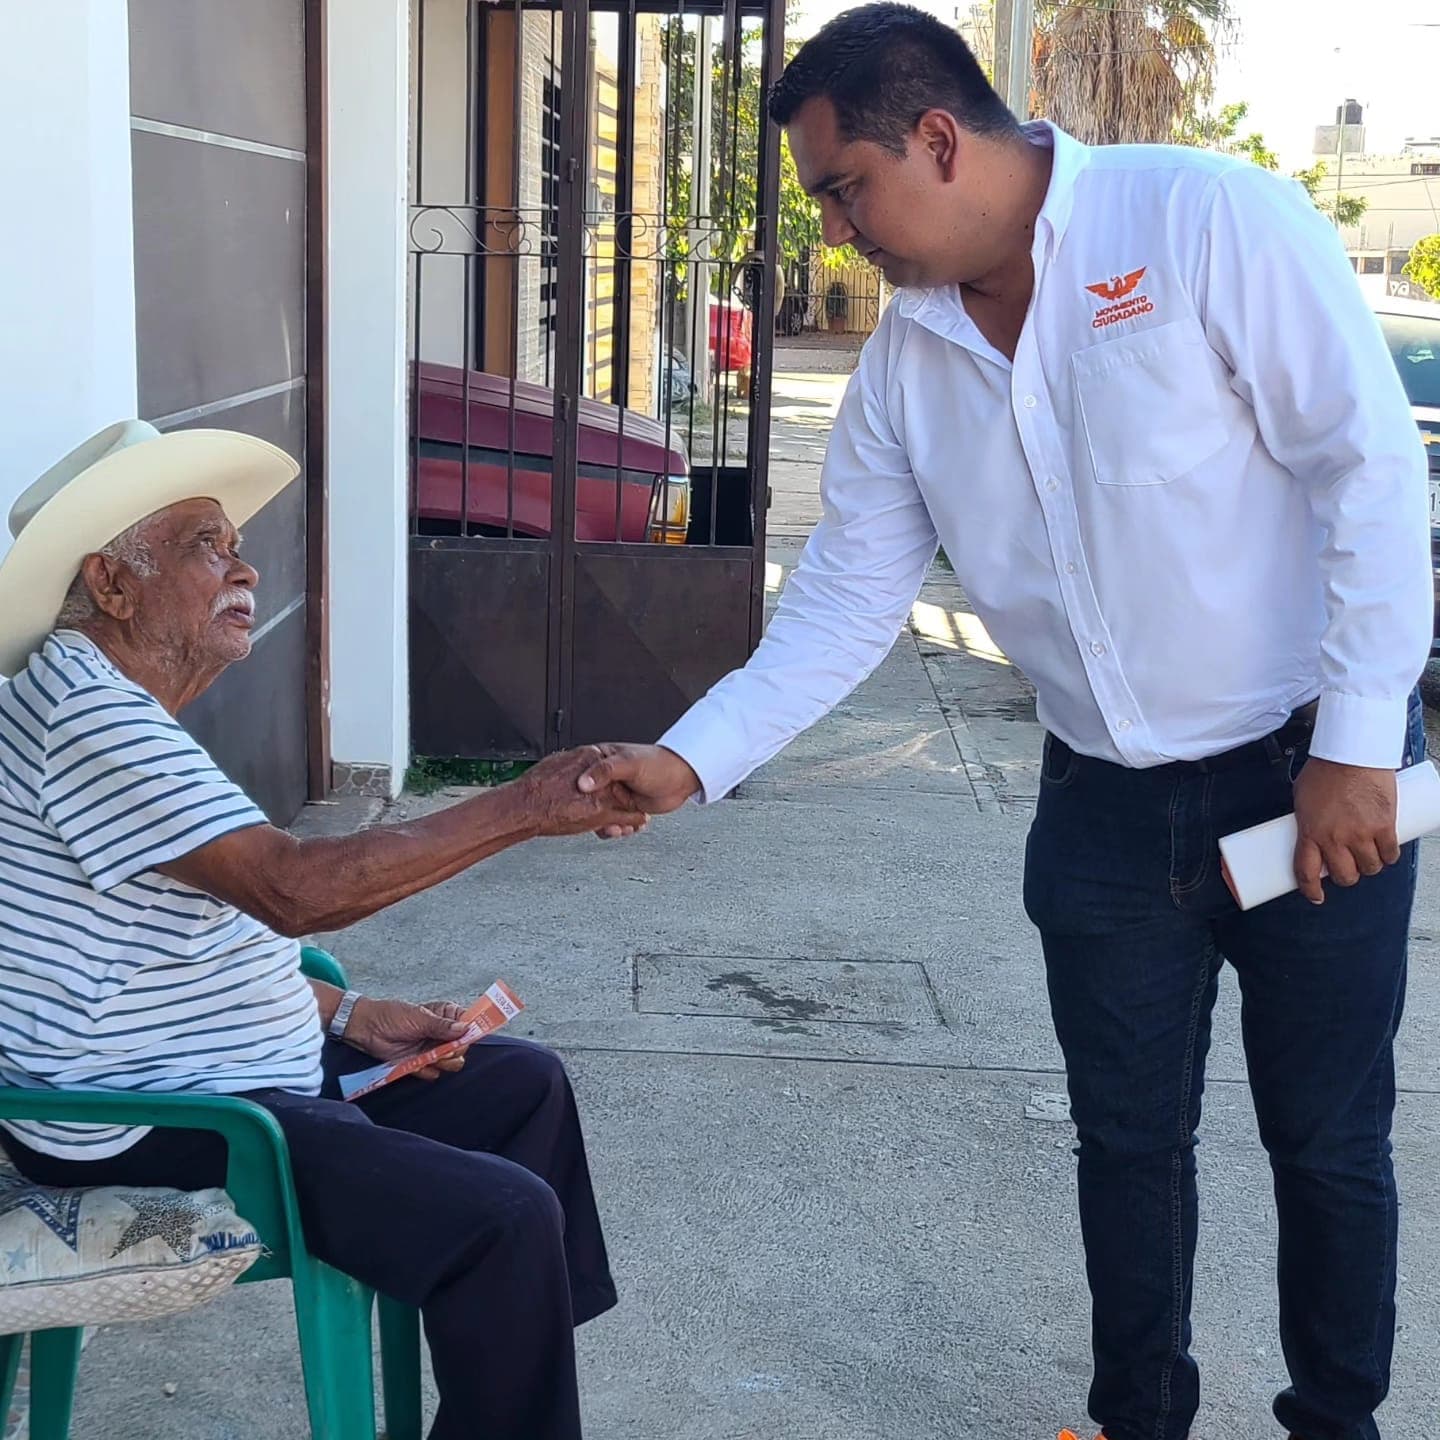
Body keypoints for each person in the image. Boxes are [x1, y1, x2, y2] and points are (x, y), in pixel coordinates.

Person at [572, 7, 1432, 1439]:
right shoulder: (907, 361)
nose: (840, 231)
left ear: (937, 138)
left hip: (1308, 778)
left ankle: (1334, 1421)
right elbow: (849, 598)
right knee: (1128, 1141)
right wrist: (690, 757)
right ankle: (1136, 1417)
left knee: (1329, 1138)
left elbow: (1368, 474)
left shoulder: (1207, 223)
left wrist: (1357, 740)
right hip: (1103, 803)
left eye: (846, 186)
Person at [0, 420, 647, 1440]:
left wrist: (349, 1012)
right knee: (504, 1221)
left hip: (234, 1077)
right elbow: (295, 892)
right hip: (160, 1118)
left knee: (525, 1088)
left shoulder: (107, 700)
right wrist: (526, 805)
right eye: (209, 544)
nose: (247, 565)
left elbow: (154, 950)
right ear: (112, 584)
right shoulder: (87, 713)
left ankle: (515, 1398)